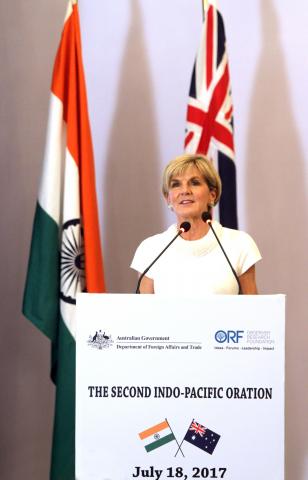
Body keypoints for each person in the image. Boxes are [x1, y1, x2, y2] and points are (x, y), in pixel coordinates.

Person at [131, 154, 261, 295]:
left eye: (194, 182)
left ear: (212, 194)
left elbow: (253, 311)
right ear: (168, 198)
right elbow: (145, 313)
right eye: (176, 184)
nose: (185, 190)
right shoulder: (150, 249)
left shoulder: (239, 244)